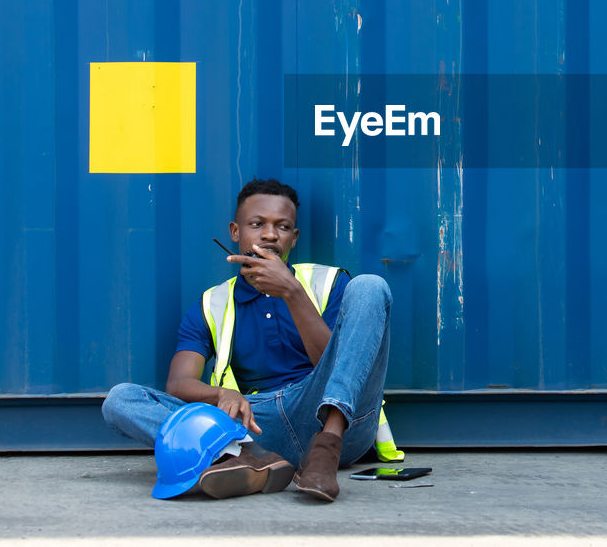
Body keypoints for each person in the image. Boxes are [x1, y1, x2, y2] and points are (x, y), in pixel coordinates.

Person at [102, 178, 392, 502]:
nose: (270, 234)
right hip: (256, 425)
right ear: (235, 232)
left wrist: (292, 292)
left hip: (330, 418)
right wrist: (220, 394)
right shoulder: (211, 303)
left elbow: (338, 371)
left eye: (282, 226)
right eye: (257, 224)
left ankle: (325, 448)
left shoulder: (328, 283)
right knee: (121, 400)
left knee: (371, 286)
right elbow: (178, 384)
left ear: (294, 238)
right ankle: (237, 459)